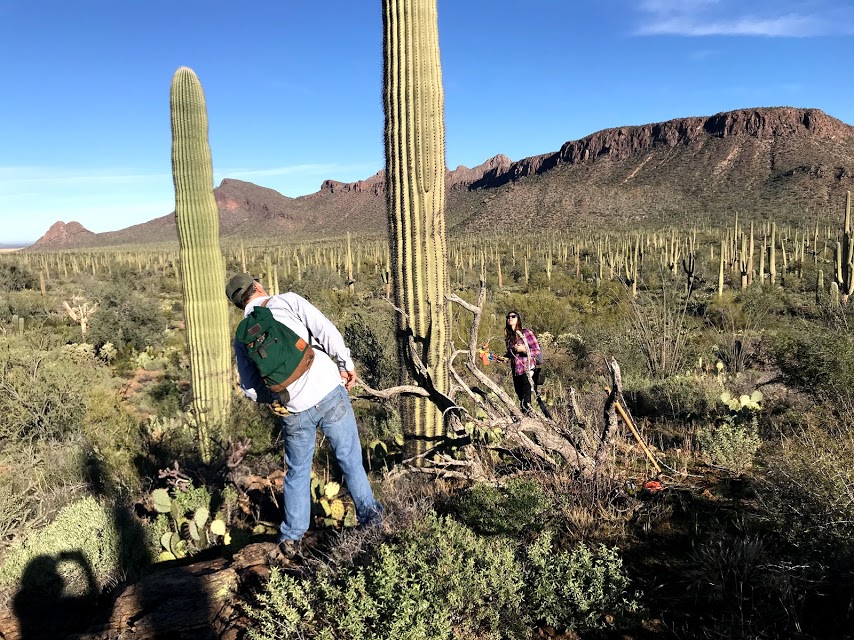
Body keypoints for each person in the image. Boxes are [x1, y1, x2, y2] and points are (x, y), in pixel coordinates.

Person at [225, 273, 382, 552]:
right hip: (329, 392)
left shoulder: (242, 336)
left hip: (293, 410)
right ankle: (372, 521)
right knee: (349, 459)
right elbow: (326, 331)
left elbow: (249, 388)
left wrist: (279, 394)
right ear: (258, 287)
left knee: (297, 472)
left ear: (240, 304)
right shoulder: (287, 301)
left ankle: (291, 537)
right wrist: (346, 364)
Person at [502, 310, 543, 414]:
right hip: (516, 372)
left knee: (526, 402)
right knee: (521, 399)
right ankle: (528, 420)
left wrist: (524, 349)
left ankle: (530, 422)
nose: (509, 318)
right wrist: (504, 358)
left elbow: (537, 350)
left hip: (527, 370)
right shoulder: (509, 337)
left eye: (513, 316)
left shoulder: (526, 333)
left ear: (518, 319)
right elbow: (511, 354)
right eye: (508, 317)